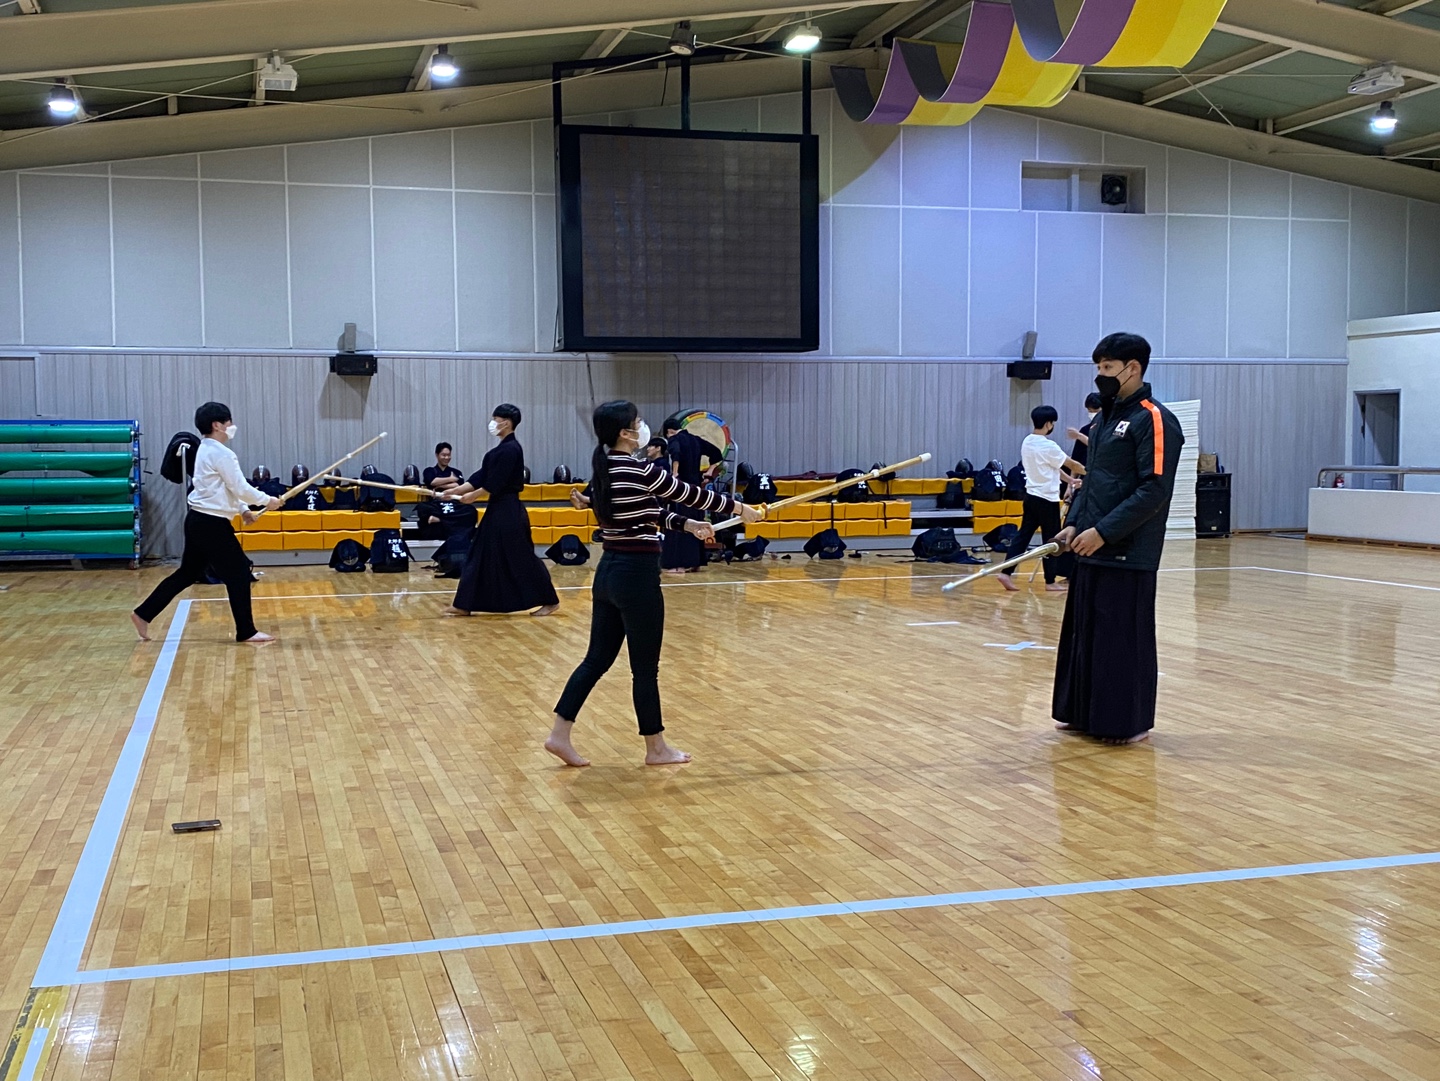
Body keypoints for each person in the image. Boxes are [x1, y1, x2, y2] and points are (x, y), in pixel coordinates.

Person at [546, 400, 763, 767]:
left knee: (596, 660)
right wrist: (742, 509)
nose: (643, 427)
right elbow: (691, 494)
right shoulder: (640, 469)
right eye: (637, 422)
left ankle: (559, 734)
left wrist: (689, 525)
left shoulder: (604, 469)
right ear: (624, 432)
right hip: (637, 575)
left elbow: (648, 512)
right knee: (645, 669)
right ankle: (656, 748)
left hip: (609, 573)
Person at [1052, 333, 1183, 746]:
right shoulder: (1103, 420)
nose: (1100, 375)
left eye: (1107, 367)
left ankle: (1126, 722)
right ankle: (1081, 713)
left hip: (1128, 551)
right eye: (1098, 367)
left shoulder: (1155, 419)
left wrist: (1104, 531)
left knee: (1122, 640)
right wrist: (1075, 522)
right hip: (1088, 547)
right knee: (1085, 636)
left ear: (1133, 368)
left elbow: (1154, 489)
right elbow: (1092, 482)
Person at [131, 402, 282, 644]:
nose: (232, 426)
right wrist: (268, 500)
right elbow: (240, 487)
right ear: (217, 425)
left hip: (199, 520)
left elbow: (222, 487)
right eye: (229, 422)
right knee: (239, 573)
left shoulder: (205, 449)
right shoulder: (222, 454)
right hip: (211, 524)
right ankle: (246, 631)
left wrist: (243, 510)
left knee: (188, 573)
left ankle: (143, 613)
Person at [442, 405, 559, 616]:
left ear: (506, 422)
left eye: (495, 419)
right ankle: (464, 604)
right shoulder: (500, 450)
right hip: (497, 509)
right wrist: (455, 491)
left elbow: (496, 481)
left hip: (509, 511)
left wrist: (473, 496)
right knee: (479, 553)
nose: (492, 423)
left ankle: (550, 600)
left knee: (521, 556)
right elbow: (481, 476)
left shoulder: (511, 449)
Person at [996, 405, 1085, 593]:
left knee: (1022, 537)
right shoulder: (1049, 446)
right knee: (1052, 541)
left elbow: (1052, 467)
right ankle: (1050, 581)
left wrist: (1070, 480)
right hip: (1047, 500)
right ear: (1048, 424)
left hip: (1030, 497)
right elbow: (1072, 464)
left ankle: (1006, 573)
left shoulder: (1027, 442)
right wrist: (1092, 472)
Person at [660, 420, 707, 573]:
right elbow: (716, 454)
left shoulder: (674, 439)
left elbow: (676, 453)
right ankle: (695, 562)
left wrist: (675, 474)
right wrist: (709, 473)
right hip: (697, 489)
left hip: (682, 489)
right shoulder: (696, 440)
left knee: (679, 524)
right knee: (696, 523)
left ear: (669, 431)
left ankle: (677, 565)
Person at [415, 441, 473, 539]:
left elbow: (458, 485)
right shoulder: (429, 471)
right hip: (436, 505)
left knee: (470, 510)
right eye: (443, 455)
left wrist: (438, 486)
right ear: (437, 455)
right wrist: (451, 479)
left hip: (453, 504)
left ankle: (439, 519)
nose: (446, 458)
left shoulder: (456, 472)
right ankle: (448, 519)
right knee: (421, 507)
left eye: (448, 455)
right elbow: (432, 482)